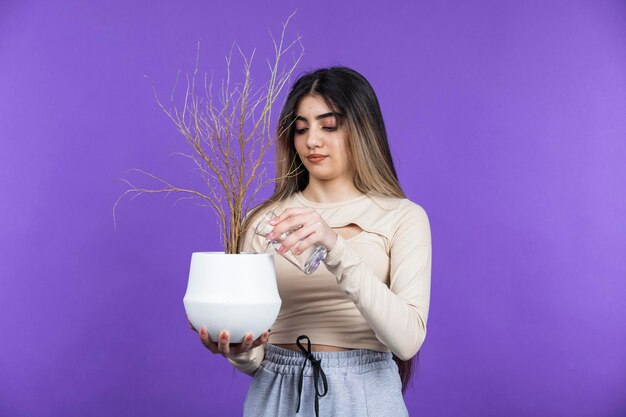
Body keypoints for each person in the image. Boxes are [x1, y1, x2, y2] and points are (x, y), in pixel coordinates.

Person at [190, 66, 432, 416]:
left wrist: (335, 247)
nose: (311, 141)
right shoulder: (263, 222)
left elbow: (407, 340)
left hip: (364, 394)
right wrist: (239, 349)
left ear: (364, 129)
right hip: (276, 390)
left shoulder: (402, 217)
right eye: (301, 129)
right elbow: (256, 357)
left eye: (328, 126)